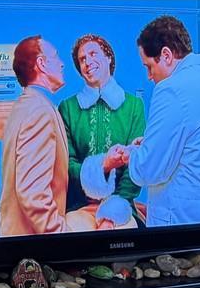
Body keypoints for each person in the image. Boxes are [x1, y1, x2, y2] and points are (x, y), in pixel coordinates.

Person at [104, 16, 200, 226]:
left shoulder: (172, 89)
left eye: (149, 66)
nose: (149, 76)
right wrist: (151, 143)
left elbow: (149, 170)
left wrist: (132, 154)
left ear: (166, 55)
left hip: (185, 220)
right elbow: (196, 146)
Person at [58, 34, 147, 213]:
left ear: (108, 57)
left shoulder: (133, 105)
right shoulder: (68, 107)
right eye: (82, 59)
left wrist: (117, 204)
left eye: (93, 54)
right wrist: (102, 167)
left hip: (121, 205)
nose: (87, 62)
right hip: (78, 206)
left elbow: (136, 161)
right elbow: (66, 163)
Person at [0, 35, 71, 235]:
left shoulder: (27, 105)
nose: (62, 64)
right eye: (56, 57)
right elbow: (33, 193)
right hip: (32, 248)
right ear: (42, 64)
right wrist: (65, 238)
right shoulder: (39, 111)